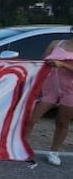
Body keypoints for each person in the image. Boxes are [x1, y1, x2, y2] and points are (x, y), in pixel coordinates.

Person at [25, 38, 73, 166]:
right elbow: (41, 63)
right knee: (31, 118)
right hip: (49, 88)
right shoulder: (56, 43)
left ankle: (54, 152)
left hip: (70, 90)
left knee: (62, 122)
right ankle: (21, 146)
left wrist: (62, 65)